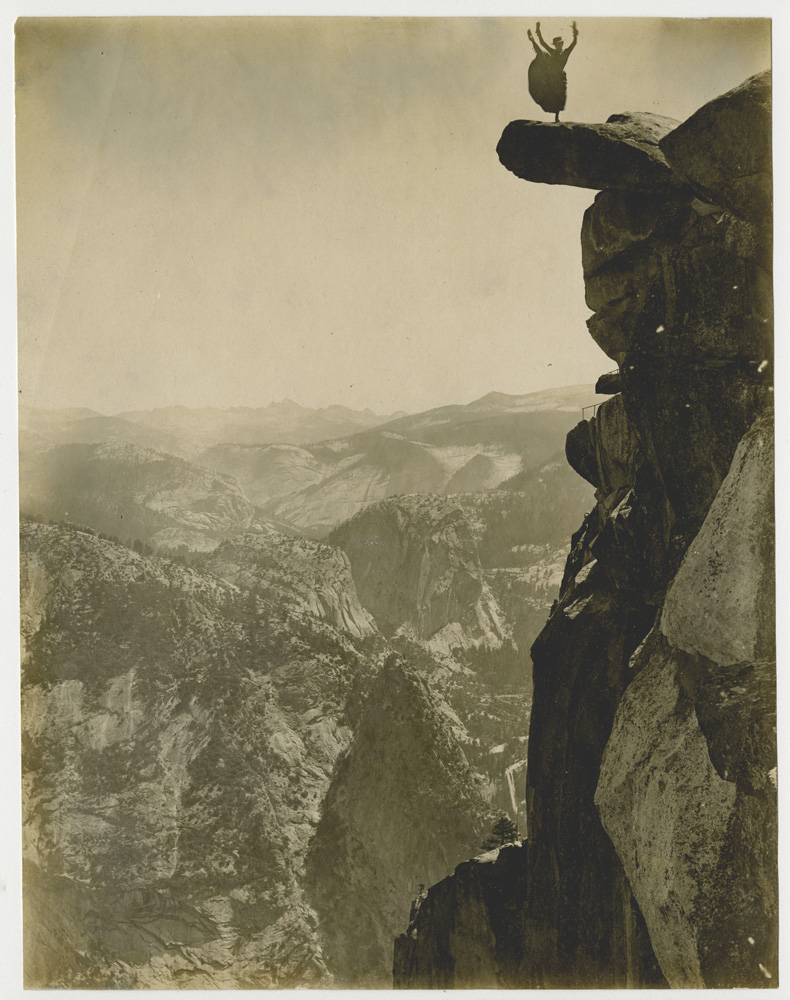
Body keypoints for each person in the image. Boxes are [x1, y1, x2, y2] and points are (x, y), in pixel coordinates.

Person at [527, 21, 579, 122]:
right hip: (551, 76)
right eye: (557, 44)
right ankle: (532, 40)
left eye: (561, 44)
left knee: (560, 97)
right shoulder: (553, 52)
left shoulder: (565, 53)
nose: (559, 45)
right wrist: (538, 31)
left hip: (559, 78)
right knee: (542, 54)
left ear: (562, 44)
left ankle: (557, 116)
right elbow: (542, 44)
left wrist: (575, 32)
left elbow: (574, 43)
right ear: (555, 45)